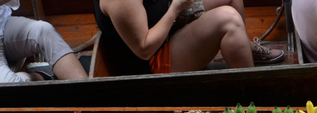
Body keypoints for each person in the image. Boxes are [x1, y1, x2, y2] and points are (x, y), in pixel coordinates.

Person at [94, 0, 284, 76]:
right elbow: (144, 49)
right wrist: (175, 9)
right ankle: (253, 102)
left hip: (167, 27)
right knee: (229, 19)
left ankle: (246, 47)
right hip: (151, 63)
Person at [0, 0, 87, 83]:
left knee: (44, 30)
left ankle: (90, 91)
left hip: (3, 26)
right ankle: (39, 76)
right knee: (11, 84)